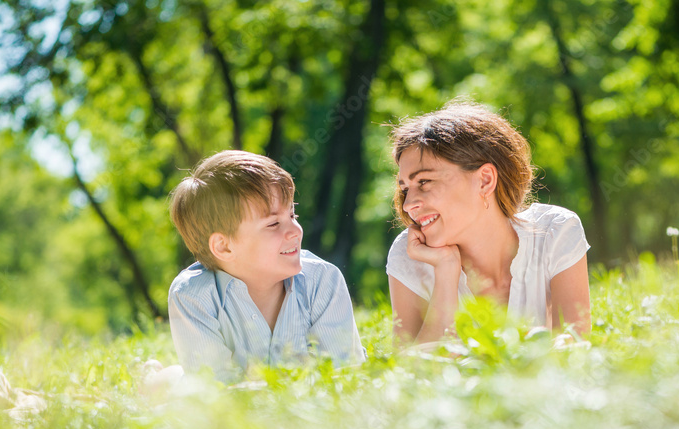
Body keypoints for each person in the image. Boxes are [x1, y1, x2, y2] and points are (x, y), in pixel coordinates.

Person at [386, 102, 591, 346]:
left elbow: (576, 352)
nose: (408, 204)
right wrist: (445, 272)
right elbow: (411, 374)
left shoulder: (555, 232)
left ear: (484, 180)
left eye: (425, 181)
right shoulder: (409, 255)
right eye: (405, 189)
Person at [167, 150, 365, 379]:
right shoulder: (193, 296)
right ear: (224, 247)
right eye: (273, 224)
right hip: (245, 405)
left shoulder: (323, 280)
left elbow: (344, 375)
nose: (295, 231)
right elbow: (216, 393)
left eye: (293, 215)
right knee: (174, 388)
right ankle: (157, 378)